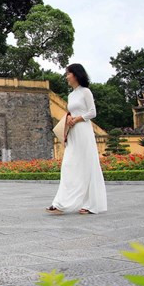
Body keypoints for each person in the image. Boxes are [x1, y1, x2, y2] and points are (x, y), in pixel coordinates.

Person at [47, 63, 107, 215]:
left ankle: (90, 204)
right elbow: (70, 112)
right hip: (73, 132)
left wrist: (78, 119)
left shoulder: (85, 92)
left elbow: (92, 112)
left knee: (87, 165)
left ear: (76, 74)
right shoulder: (71, 95)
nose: (66, 76)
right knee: (68, 165)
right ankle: (60, 202)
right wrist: (68, 119)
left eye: (68, 73)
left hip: (84, 131)